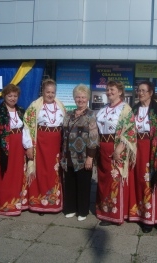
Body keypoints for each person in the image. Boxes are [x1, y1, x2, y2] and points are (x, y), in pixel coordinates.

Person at [95, 80, 137, 226]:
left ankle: (114, 214)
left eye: (112, 89)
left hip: (116, 147)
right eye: (107, 89)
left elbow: (130, 131)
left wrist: (118, 150)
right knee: (103, 179)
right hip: (102, 146)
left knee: (114, 180)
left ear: (120, 92)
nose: (109, 92)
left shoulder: (125, 109)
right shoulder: (104, 108)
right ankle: (103, 210)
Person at [23, 79, 65, 215]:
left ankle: (54, 202)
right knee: (41, 171)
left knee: (55, 172)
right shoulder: (35, 106)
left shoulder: (60, 106)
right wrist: (29, 146)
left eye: (53, 92)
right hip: (41, 144)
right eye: (48, 92)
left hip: (56, 144)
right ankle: (40, 203)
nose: (50, 95)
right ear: (43, 91)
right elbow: (27, 127)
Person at [129, 81, 157, 233]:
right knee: (135, 179)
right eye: (139, 90)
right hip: (136, 147)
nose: (141, 93)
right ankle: (135, 213)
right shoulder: (134, 109)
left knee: (148, 180)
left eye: (144, 91)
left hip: (150, 149)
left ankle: (148, 218)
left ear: (151, 93)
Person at [60, 84, 99, 221]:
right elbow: (63, 134)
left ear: (87, 98)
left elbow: (94, 138)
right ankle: (70, 208)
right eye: (78, 97)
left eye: (83, 97)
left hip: (83, 156)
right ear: (74, 98)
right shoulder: (68, 115)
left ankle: (82, 211)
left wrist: (90, 157)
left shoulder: (91, 115)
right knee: (69, 182)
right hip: (68, 155)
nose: (80, 100)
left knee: (83, 184)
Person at [0, 84, 28, 216]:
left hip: (19, 146)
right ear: (4, 96)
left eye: (15, 96)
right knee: (5, 175)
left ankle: (16, 203)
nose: (12, 98)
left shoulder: (21, 111)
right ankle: (3, 204)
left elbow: (26, 129)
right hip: (6, 146)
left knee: (17, 174)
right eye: (10, 95)